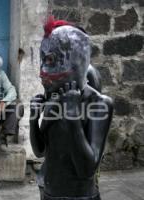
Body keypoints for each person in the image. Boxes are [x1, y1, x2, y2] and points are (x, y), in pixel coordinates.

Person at [29, 17, 113, 200]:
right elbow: (40, 151)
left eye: (51, 60)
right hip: (49, 192)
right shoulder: (54, 99)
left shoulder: (99, 104)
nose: (41, 72)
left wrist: (73, 116)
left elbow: (87, 169)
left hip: (80, 196)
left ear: (74, 61)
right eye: (42, 60)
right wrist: (33, 119)